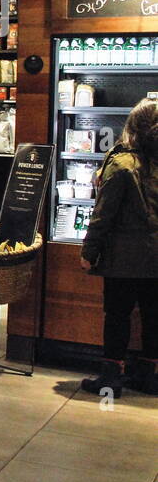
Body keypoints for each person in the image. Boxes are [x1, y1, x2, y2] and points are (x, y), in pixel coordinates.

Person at [79, 98, 158, 396]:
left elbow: (104, 215)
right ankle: (149, 377)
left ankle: (111, 377)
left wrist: (89, 252)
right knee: (153, 315)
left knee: (117, 315)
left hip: (124, 257)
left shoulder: (122, 164)